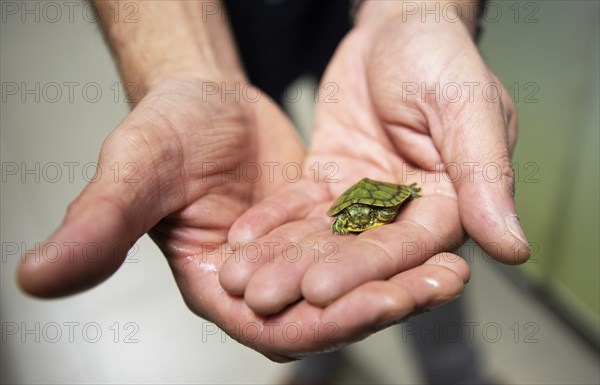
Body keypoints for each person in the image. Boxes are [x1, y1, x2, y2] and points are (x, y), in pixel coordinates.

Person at [17, 0, 529, 363]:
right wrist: (181, 66)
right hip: (220, 20)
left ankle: (451, 366)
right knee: (268, 215)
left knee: (431, 224)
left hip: (363, 17)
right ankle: (321, 347)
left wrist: (418, 11)